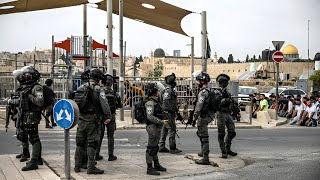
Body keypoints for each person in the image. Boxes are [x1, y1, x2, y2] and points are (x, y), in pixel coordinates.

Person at [74, 68, 112, 174]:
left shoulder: (80, 87)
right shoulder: (98, 89)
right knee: (92, 144)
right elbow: (105, 105)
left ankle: (77, 166)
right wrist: (108, 116)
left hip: (81, 120)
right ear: (99, 78)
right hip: (92, 120)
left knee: (80, 144)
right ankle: (91, 167)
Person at [9, 66, 44, 171]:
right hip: (26, 115)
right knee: (29, 137)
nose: (26, 77)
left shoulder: (36, 87)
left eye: (28, 75)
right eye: (25, 75)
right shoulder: (27, 87)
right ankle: (36, 159)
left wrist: (29, 96)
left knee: (34, 138)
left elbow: (40, 101)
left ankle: (34, 162)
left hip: (32, 116)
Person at [96, 74, 123, 161]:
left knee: (100, 135)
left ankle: (97, 154)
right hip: (111, 116)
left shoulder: (99, 91)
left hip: (101, 116)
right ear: (111, 83)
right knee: (110, 136)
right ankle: (110, 155)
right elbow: (120, 105)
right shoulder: (115, 93)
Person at [144, 82, 168, 175]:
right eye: (157, 90)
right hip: (152, 127)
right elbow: (150, 117)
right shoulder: (150, 102)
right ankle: (149, 168)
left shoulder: (155, 101)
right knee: (151, 148)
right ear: (154, 91)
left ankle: (156, 164)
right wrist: (161, 122)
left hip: (156, 127)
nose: (158, 92)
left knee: (155, 147)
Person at [192, 72, 215, 165]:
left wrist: (194, 118)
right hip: (210, 115)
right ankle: (203, 152)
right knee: (200, 133)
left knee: (204, 137)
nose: (197, 83)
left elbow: (199, 107)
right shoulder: (211, 90)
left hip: (203, 116)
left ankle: (205, 158)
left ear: (202, 81)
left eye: (198, 81)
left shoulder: (203, 92)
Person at [159, 73, 182, 154]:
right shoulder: (168, 90)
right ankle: (172, 148)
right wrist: (171, 110)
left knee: (165, 129)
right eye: (174, 81)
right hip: (168, 113)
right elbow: (165, 100)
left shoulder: (169, 89)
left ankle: (161, 146)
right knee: (172, 129)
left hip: (167, 112)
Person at [216, 74, 237, 159]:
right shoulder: (218, 91)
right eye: (226, 82)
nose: (227, 83)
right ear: (222, 82)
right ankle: (223, 151)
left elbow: (231, 102)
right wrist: (226, 100)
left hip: (228, 113)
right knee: (221, 133)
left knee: (232, 132)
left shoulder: (226, 91)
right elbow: (217, 103)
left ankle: (228, 148)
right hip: (221, 113)